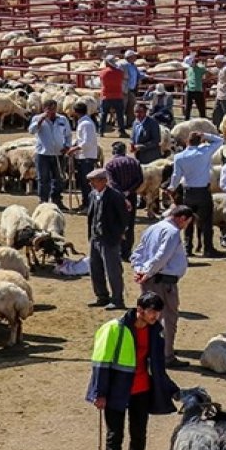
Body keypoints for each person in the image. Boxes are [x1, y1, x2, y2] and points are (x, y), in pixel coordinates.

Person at [86, 292, 180, 450]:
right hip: (116, 390)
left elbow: (158, 365)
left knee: (139, 435)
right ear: (139, 310)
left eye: (158, 313)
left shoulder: (156, 331)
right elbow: (100, 363)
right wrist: (99, 393)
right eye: (152, 312)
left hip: (142, 389)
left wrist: (172, 389)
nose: (156, 316)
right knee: (115, 437)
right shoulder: (113, 329)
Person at [130, 206, 195, 366]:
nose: (186, 226)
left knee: (148, 316)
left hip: (150, 279)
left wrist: (139, 270)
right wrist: (148, 272)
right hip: (162, 281)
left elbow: (138, 252)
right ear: (182, 218)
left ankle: (152, 351)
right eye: (187, 222)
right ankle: (166, 355)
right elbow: (162, 256)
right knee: (167, 318)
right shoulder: (172, 232)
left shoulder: (152, 228)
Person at [167, 131, 224, 257]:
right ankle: (208, 248)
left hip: (188, 192)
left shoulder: (179, 157)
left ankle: (188, 248)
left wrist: (172, 187)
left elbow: (176, 175)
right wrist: (207, 135)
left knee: (187, 221)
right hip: (203, 191)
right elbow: (220, 141)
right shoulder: (205, 152)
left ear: (187, 141)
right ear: (200, 141)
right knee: (206, 221)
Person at [86, 168, 129, 309]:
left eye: (95, 181)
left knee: (112, 270)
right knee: (95, 268)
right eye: (91, 181)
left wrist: (118, 234)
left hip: (109, 239)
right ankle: (102, 296)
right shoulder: (93, 195)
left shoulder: (115, 196)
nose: (92, 184)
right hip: (95, 237)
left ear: (104, 181)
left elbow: (123, 218)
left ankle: (117, 299)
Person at [28, 99, 71, 209]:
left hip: (59, 154)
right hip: (43, 154)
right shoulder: (37, 118)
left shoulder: (62, 119)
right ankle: (43, 201)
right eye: (50, 109)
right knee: (43, 179)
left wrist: (67, 146)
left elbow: (68, 134)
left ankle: (57, 200)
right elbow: (31, 131)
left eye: (54, 108)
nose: (52, 111)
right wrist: (40, 120)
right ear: (44, 108)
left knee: (59, 178)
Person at [66, 102, 99, 210]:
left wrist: (74, 148)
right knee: (82, 182)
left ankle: (88, 204)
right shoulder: (83, 122)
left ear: (75, 112)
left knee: (86, 183)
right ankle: (85, 203)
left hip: (86, 157)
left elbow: (87, 142)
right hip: (82, 156)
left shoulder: (86, 124)